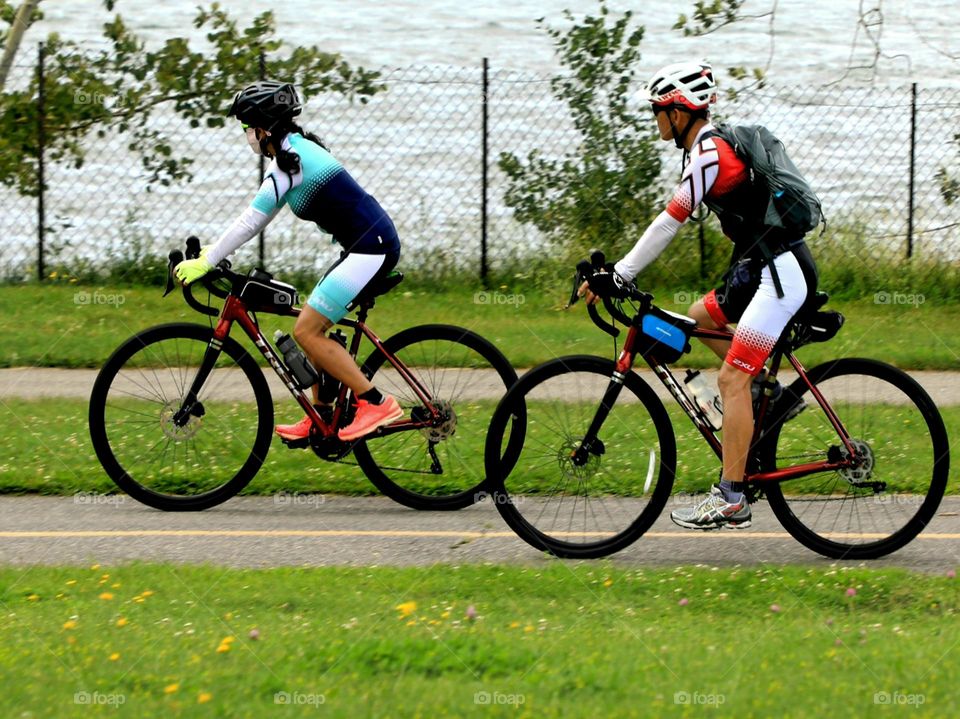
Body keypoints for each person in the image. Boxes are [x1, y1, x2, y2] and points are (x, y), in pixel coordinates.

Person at [580, 60, 818, 530]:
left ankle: (731, 497)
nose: (655, 120)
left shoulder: (708, 151)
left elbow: (670, 220)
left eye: (658, 110)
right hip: (760, 268)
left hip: (780, 275)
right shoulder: (706, 149)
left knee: (730, 380)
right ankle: (772, 397)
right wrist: (619, 272)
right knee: (701, 315)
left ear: (679, 111)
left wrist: (621, 273)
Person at [175, 80, 404, 442]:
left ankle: (375, 403)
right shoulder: (295, 151)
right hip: (362, 247)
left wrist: (208, 260)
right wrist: (210, 256)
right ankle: (322, 419)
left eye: (248, 128)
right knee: (313, 323)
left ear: (264, 128)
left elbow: (253, 220)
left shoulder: (290, 164)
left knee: (306, 331)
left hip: (370, 249)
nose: (248, 135)